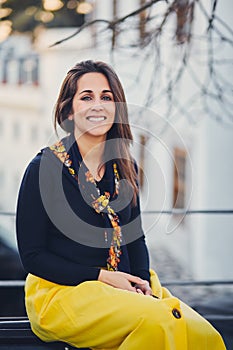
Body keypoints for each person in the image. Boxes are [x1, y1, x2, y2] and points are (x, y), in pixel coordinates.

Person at [16, 60, 226, 350]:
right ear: (68, 110)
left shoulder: (124, 167)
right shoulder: (44, 169)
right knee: (158, 322)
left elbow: (135, 238)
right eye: (86, 97)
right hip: (62, 294)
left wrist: (140, 283)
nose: (97, 105)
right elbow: (33, 256)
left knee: (204, 334)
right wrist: (103, 277)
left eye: (107, 97)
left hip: (122, 285)